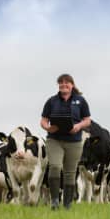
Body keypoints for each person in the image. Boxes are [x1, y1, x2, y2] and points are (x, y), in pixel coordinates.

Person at [40, 74, 91, 210]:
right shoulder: (51, 101)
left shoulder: (80, 101)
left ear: (72, 85)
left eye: (67, 82)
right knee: (55, 166)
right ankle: (55, 201)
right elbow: (43, 120)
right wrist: (48, 127)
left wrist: (79, 126)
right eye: (61, 82)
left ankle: (67, 204)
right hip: (54, 140)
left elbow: (87, 120)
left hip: (74, 141)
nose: (64, 84)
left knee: (70, 172)